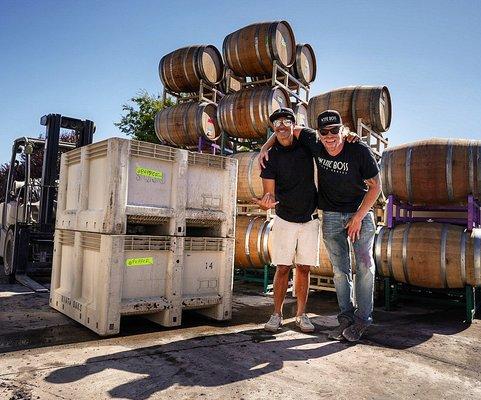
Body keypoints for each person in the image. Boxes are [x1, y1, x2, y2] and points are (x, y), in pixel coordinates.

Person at [259, 109, 381, 342]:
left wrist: (358, 217)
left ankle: (363, 320)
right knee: (339, 269)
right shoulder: (313, 140)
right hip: (332, 214)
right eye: (324, 132)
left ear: (343, 130)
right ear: (318, 134)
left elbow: (376, 187)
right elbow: (284, 129)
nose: (329, 136)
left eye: (334, 130)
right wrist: (265, 148)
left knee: (364, 266)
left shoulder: (358, 150)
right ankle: (346, 317)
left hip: (360, 213)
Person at [253, 107, 319, 333]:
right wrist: (266, 201)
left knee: (304, 268)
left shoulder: (306, 144)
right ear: (272, 127)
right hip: (284, 219)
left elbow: (302, 133)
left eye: (286, 121)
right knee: (282, 267)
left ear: (294, 124)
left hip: (310, 219)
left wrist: (265, 143)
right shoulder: (271, 157)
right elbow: (269, 191)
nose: (281, 126)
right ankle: (276, 314)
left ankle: (301, 315)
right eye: (276, 123)